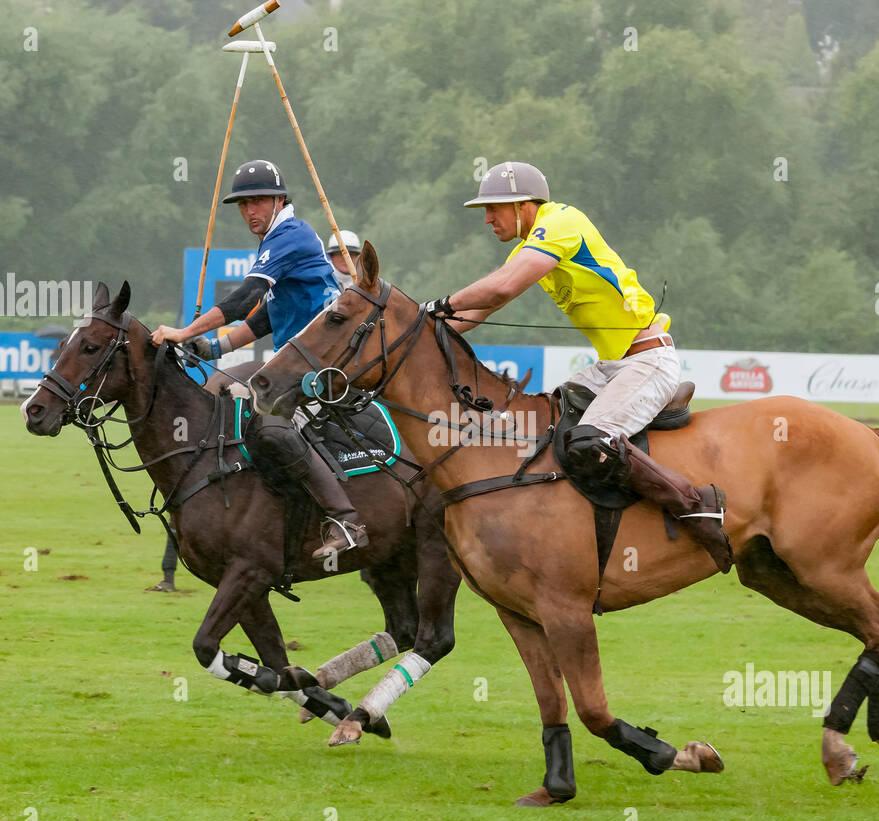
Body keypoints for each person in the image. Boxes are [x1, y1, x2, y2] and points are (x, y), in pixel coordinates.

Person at [419, 161, 732, 571]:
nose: (487, 218)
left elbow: (502, 286)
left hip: (648, 361)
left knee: (589, 442)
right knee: (540, 427)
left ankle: (696, 507)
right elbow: (486, 305)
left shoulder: (562, 221)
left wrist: (438, 305)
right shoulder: (528, 248)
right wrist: (422, 328)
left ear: (525, 205)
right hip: (610, 367)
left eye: (495, 207)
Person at [152, 159, 368, 559]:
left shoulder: (290, 234)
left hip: (322, 363)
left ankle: (344, 519)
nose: (250, 211)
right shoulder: (278, 239)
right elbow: (267, 314)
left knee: (268, 423)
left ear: (279, 200)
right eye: (243, 204)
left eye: (258, 201)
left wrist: (184, 332)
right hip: (297, 361)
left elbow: (245, 298)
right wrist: (213, 348)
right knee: (230, 403)